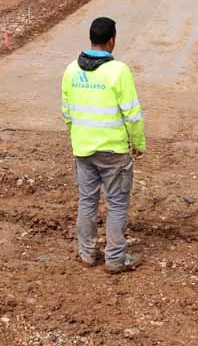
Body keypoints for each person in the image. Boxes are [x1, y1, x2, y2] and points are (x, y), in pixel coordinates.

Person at [60, 17, 146, 273]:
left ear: (91, 39)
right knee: (117, 204)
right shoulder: (119, 71)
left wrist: (77, 137)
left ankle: (87, 254)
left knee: (87, 201)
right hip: (113, 151)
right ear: (112, 40)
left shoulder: (71, 71)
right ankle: (116, 259)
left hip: (83, 149)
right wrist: (138, 142)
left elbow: (67, 112)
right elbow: (132, 113)